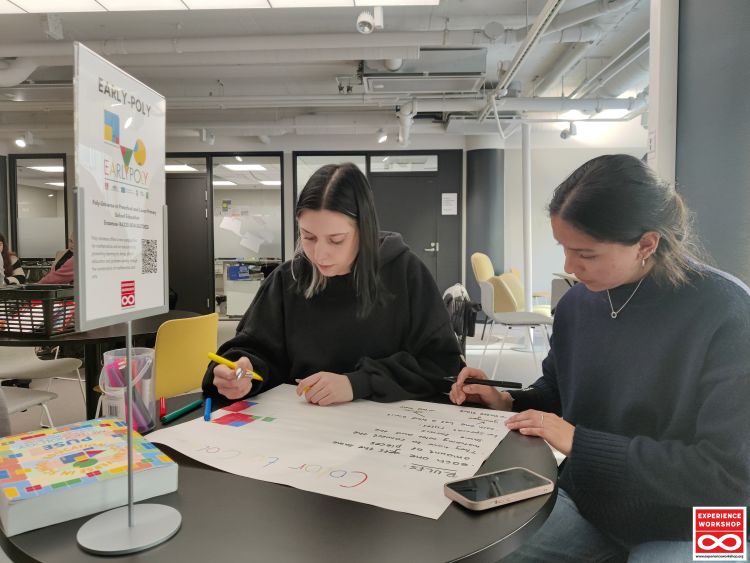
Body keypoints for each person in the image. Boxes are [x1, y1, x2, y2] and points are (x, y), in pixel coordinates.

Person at [450, 154, 750, 562]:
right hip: (592, 505)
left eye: (585, 254)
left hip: (702, 520)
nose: (569, 266)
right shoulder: (577, 303)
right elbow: (560, 391)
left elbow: (729, 476)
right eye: (563, 248)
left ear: (646, 244)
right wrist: (507, 401)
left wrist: (581, 444)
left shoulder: (727, 312)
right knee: (477, 546)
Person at [203, 162, 462, 406]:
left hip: (387, 427)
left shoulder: (406, 273)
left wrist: (358, 383)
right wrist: (240, 372)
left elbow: (440, 363)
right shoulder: (287, 279)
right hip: (299, 423)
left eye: (336, 240)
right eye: (308, 237)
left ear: (364, 230)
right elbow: (254, 350)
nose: (319, 255)